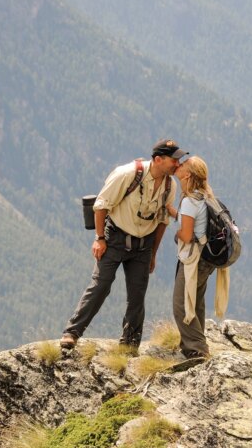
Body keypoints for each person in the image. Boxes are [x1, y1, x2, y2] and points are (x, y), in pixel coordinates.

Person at [60, 139, 186, 351]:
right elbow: (101, 205)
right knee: (101, 285)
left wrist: (153, 253)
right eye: (174, 160)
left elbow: (162, 220)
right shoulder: (127, 174)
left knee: (137, 295)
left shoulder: (169, 185)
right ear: (158, 159)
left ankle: (129, 345)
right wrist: (100, 238)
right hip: (114, 239)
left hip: (144, 245)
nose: (178, 164)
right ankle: (72, 333)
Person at [171, 156, 230, 359]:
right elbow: (195, 221)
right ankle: (191, 344)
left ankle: (197, 349)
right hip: (208, 258)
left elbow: (187, 235)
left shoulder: (189, 201)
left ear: (187, 175)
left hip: (193, 259)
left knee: (181, 304)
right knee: (195, 301)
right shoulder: (205, 196)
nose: (178, 165)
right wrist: (172, 212)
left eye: (182, 165)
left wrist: (177, 234)